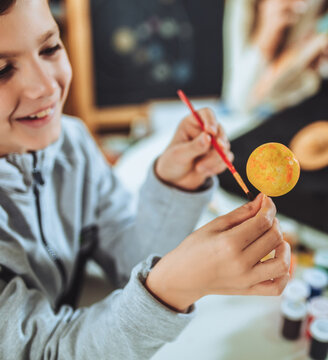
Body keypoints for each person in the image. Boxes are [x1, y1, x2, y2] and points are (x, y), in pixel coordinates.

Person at [0, 0, 291, 358]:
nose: (45, 86)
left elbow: (129, 260)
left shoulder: (72, 144)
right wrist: (170, 290)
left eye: (50, 48)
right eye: (2, 70)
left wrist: (175, 187)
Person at [222, 0, 328, 115]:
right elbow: (238, 99)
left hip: (307, 114)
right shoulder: (244, 5)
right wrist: (268, 32)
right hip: (254, 115)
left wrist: (319, 68)